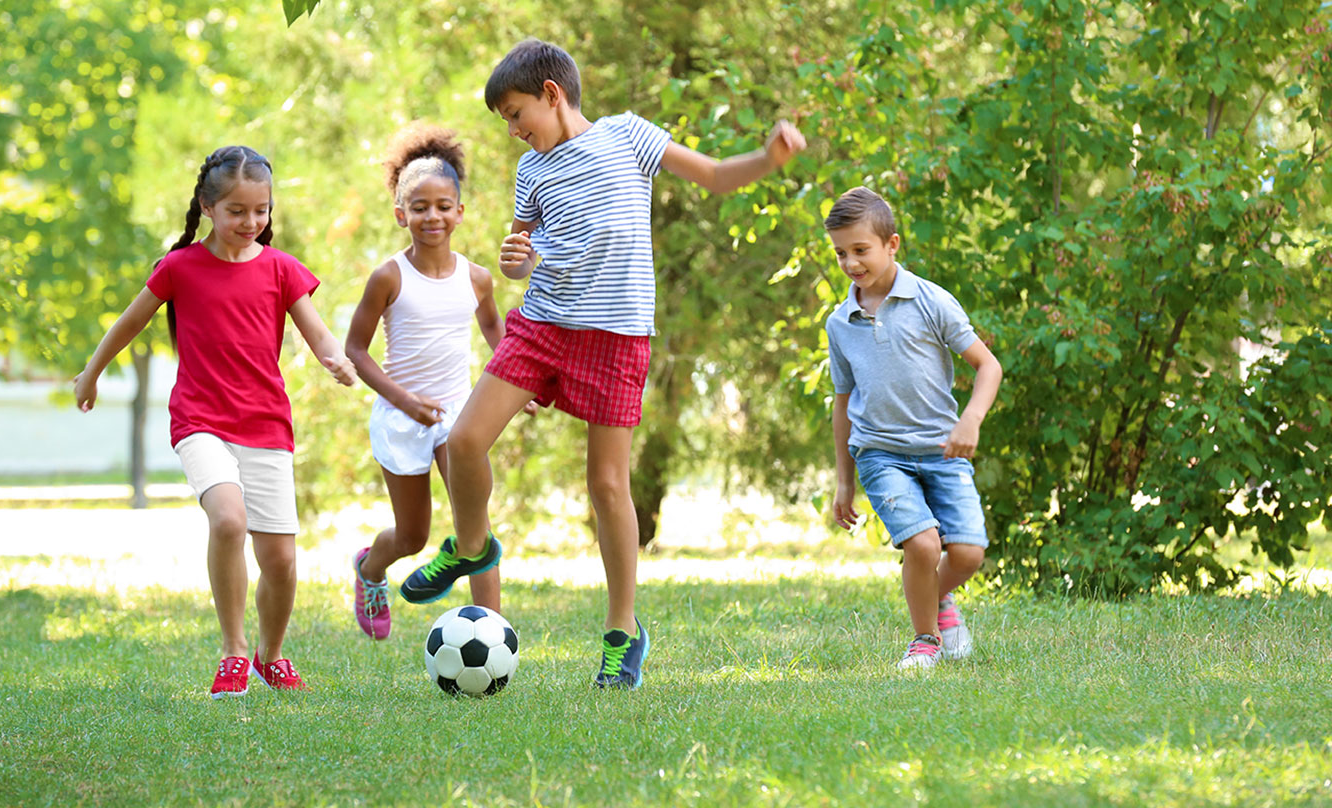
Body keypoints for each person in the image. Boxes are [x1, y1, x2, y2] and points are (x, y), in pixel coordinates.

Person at [397, 38, 806, 689]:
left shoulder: (627, 136)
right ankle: (469, 546)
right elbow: (525, 253)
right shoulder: (532, 171)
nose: (513, 130)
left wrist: (767, 159)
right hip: (543, 325)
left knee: (608, 485)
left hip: (616, 337)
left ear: (552, 94)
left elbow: (713, 175)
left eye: (516, 114)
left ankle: (622, 633)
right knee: (466, 440)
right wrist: (516, 263)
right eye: (505, 120)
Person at [74, 146, 357, 698]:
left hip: (266, 424)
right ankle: (232, 651)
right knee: (228, 520)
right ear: (207, 207)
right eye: (237, 211)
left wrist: (335, 360)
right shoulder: (179, 267)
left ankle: (270, 655)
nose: (251, 222)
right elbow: (129, 322)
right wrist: (91, 372)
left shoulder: (281, 268)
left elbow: (317, 331)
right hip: (200, 418)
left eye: (261, 211)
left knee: (280, 561)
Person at [344, 123, 525, 641]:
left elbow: (495, 332)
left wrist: (520, 381)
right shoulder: (389, 277)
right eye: (420, 207)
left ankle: (493, 634)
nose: (433, 217)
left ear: (460, 212)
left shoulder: (477, 278)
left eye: (444, 206)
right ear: (401, 213)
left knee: (475, 529)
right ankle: (370, 569)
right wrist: (404, 400)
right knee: (413, 537)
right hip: (401, 417)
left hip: (458, 418)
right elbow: (356, 350)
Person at [823, 186, 1003, 671]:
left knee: (968, 553)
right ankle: (925, 639)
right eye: (840, 253)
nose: (850, 262)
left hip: (943, 449)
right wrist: (844, 481)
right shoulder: (839, 323)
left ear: (892, 244)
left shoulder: (931, 300)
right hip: (879, 453)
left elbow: (988, 366)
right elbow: (843, 403)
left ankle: (936, 598)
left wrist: (970, 420)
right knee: (923, 545)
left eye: (860, 250)